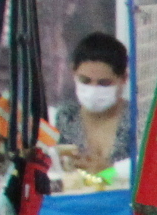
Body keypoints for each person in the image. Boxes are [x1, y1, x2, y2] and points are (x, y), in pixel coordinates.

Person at [53, 30, 129, 177]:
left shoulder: (139, 121)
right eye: (85, 81)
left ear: (123, 78)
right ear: (73, 72)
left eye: (104, 83)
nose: (93, 89)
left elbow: (150, 174)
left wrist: (110, 174)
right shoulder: (65, 118)